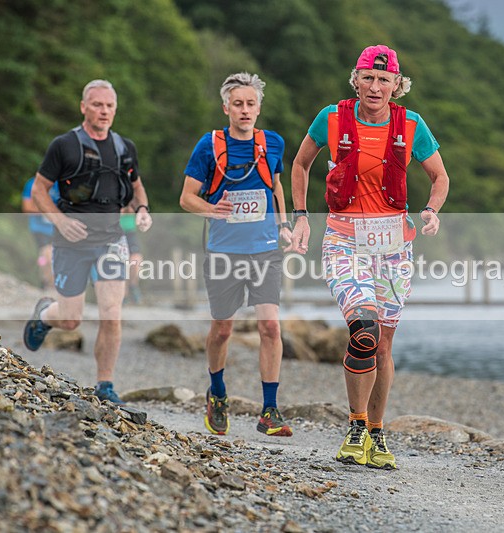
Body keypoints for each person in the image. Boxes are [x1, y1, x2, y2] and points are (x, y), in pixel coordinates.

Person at [290, 45, 450, 469]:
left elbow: (439, 176)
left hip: (394, 245)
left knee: (383, 343)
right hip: (344, 239)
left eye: (384, 80)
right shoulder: (332, 118)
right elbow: (302, 164)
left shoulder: (412, 125)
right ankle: (356, 426)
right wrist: (301, 216)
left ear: (397, 86)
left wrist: (431, 211)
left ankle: (377, 436)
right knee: (363, 327)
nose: (375, 86)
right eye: (368, 77)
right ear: (355, 80)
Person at [22, 79, 153, 404]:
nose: (104, 111)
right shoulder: (64, 145)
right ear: (84, 107)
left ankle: (105, 385)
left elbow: (136, 188)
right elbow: (39, 191)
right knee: (71, 318)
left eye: (109, 106)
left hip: (111, 240)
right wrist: (61, 221)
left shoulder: (125, 147)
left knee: (112, 312)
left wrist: (143, 211)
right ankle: (43, 316)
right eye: (97, 104)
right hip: (71, 242)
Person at [179, 72, 293, 437]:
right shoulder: (208, 145)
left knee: (270, 326)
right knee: (223, 330)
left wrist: (285, 225)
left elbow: (275, 185)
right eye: (238, 104)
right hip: (223, 250)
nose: (245, 110)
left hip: (265, 250)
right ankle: (217, 392)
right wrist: (211, 210)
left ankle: (270, 411)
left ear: (259, 108)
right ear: (226, 107)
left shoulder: (273, 143)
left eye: (251, 103)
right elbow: (186, 198)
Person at [21, 176, 60, 291]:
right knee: (47, 253)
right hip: (39, 228)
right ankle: (48, 283)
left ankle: (51, 282)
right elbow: (27, 207)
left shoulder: (61, 184)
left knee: (53, 255)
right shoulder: (32, 184)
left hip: (58, 228)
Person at [120, 206, 144, 305]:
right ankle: (124, 295)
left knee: (135, 260)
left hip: (130, 233)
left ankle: (133, 286)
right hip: (116, 233)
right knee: (122, 263)